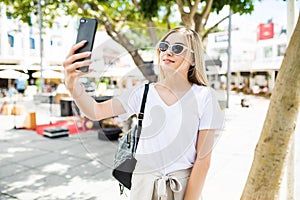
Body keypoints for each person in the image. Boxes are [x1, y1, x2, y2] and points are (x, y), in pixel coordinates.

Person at [63, 27, 224, 200]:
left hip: (183, 188)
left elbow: (203, 161)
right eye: (164, 47)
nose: (168, 52)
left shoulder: (204, 96)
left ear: (193, 58)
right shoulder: (142, 92)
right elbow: (96, 111)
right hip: (143, 186)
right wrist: (72, 85)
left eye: (177, 48)